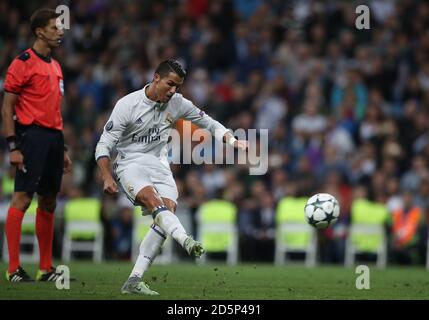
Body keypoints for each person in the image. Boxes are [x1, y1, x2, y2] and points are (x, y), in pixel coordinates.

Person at [95, 59, 248, 295]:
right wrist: (106, 176)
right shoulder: (127, 105)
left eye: (178, 86)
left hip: (159, 165)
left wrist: (233, 140)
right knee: (154, 203)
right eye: (170, 84)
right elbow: (104, 145)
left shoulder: (177, 103)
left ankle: (134, 279)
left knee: (166, 214)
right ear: (156, 77)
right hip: (130, 163)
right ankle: (186, 240)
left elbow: (209, 123)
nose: (173, 90)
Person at [1, 8, 72, 282]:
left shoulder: (56, 65)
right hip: (31, 137)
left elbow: (55, 109)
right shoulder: (22, 62)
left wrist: (63, 148)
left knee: (49, 200)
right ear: (40, 31)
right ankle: (13, 269)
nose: (60, 32)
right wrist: (12, 145)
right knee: (22, 197)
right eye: (55, 27)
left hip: (54, 138)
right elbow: (7, 109)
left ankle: (45, 268)